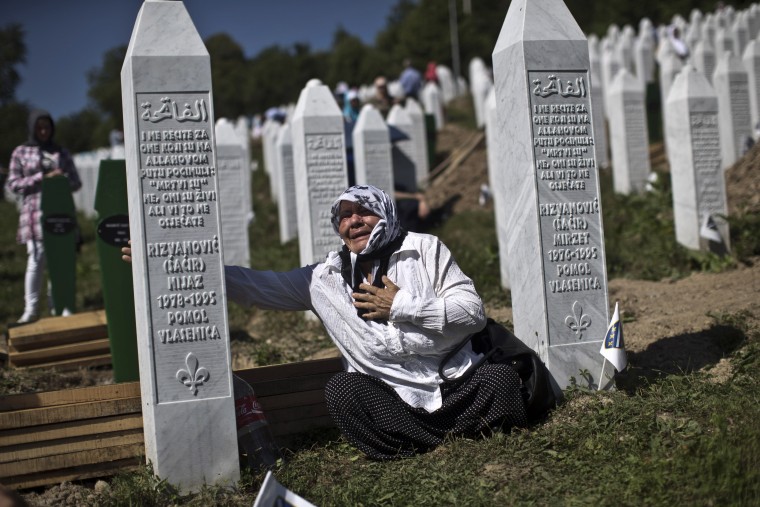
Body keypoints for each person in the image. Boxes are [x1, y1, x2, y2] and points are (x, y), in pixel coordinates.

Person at [122, 185, 527, 460]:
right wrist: (174, 267)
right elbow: (254, 286)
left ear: (383, 212)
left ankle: (443, 435)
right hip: (392, 397)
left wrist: (401, 305)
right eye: (344, 216)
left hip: (454, 381)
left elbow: (472, 312)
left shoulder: (425, 249)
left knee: (502, 382)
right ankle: (434, 441)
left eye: (363, 212)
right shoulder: (323, 279)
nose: (353, 222)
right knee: (342, 392)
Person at [7, 109, 81, 323]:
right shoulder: (21, 152)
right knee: (37, 258)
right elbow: (13, 183)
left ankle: (58, 305)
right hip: (34, 214)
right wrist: (42, 178)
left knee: (60, 260)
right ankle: (30, 309)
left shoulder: (61, 152)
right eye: (39, 127)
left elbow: (76, 183)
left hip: (61, 213)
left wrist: (61, 179)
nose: (43, 131)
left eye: (47, 127)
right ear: (32, 128)